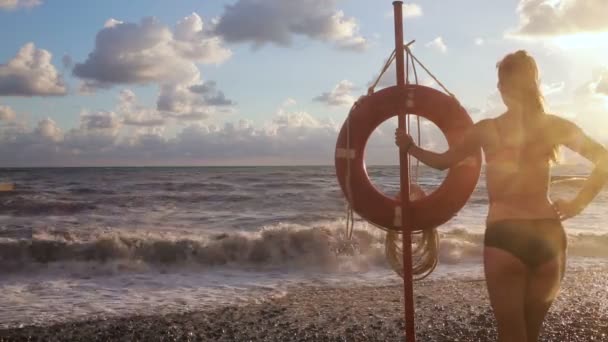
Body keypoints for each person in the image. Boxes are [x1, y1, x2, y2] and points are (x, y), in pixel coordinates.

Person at [395, 50, 608, 342]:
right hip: (549, 236)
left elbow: (443, 161)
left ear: (501, 87)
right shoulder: (555, 126)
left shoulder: (487, 129)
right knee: (531, 336)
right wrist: (577, 204)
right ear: (534, 84)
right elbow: (604, 159)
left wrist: (409, 147)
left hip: (505, 234)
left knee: (511, 336)